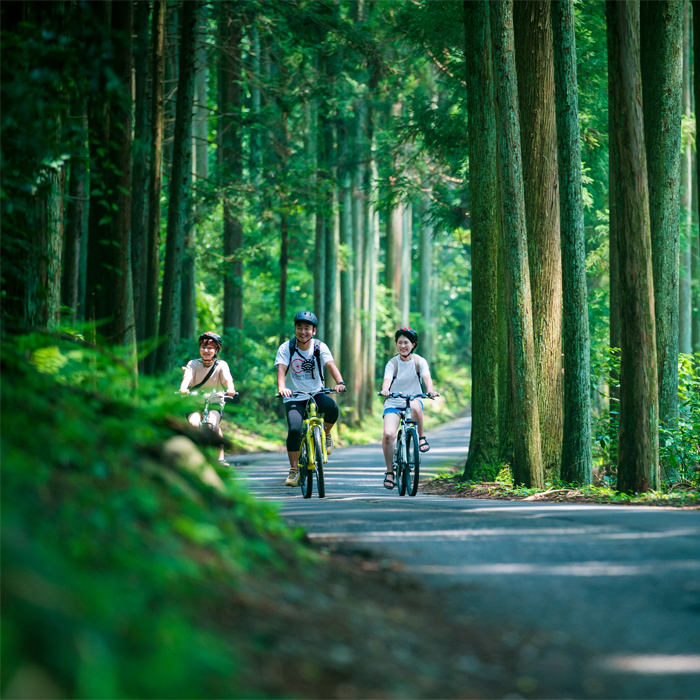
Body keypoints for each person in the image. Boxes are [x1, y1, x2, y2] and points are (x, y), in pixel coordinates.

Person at [275, 311, 346, 487]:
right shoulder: (286, 347)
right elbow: (282, 369)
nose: (303, 331)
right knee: (294, 430)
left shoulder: (319, 347)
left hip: (316, 392)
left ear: (313, 330)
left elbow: (330, 365)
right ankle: (294, 470)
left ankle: (327, 433)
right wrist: (282, 388)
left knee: (332, 408)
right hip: (294, 396)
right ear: (295, 329)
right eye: (299, 327)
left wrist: (340, 382)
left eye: (307, 328)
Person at [379, 327, 438, 490]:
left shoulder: (420, 361)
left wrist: (430, 390)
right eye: (399, 342)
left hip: (414, 398)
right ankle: (390, 472)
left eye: (406, 343)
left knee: (415, 406)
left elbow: (427, 378)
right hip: (394, 401)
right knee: (388, 435)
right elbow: (387, 379)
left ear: (413, 344)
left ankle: (421, 437)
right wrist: (386, 389)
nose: (402, 346)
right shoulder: (393, 363)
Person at [179, 331, 236, 465]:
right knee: (193, 424)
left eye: (210, 347)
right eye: (203, 347)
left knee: (213, 423)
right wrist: (183, 388)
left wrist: (230, 388)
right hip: (194, 401)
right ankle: (192, 459)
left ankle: (220, 459)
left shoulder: (221, 365)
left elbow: (228, 378)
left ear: (216, 349)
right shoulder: (193, 364)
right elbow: (187, 377)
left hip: (215, 401)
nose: (206, 350)